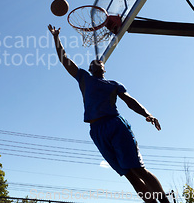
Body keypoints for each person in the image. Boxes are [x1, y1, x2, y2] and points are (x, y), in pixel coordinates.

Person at [48, 24, 170, 203]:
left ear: (104, 68)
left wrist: (147, 114)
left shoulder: (113, 85)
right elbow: (64, 58)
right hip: (96, 130)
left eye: (100, 61)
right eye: (92, 62)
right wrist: (56, 37)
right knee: (128, 174)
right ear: (90, 69)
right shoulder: (83, 78)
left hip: (115, 125)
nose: (96, 62)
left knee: (138, 169)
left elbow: (130, 101)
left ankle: (165, 202)